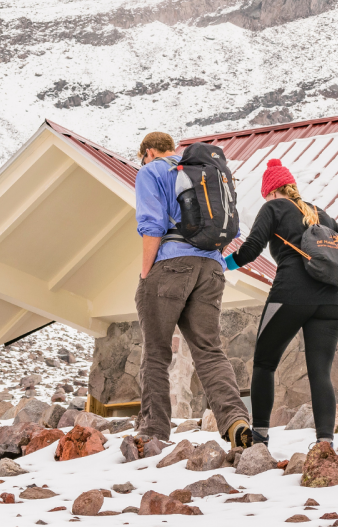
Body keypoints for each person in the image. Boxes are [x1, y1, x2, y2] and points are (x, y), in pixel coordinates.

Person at [224, 158, 338, 445]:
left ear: (272, 191)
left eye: (265, 194)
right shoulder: (320, 214)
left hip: (290, 296)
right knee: (320, 373)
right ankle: (325, 443)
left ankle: (261, 437)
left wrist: (224, 264)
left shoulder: (273, 208)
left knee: (264, 364)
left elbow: (252, 248)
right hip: (332, 301)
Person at [133, 131, 254, 448]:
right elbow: (234, 229)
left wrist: (147, 274)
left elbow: (152, 224)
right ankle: (235, 420)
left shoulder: (153, 170)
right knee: (210, 352)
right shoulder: (207, 174)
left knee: (157, 354)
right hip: (211, 268)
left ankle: (154, 431)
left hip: (171, 266)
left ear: (149, 152)